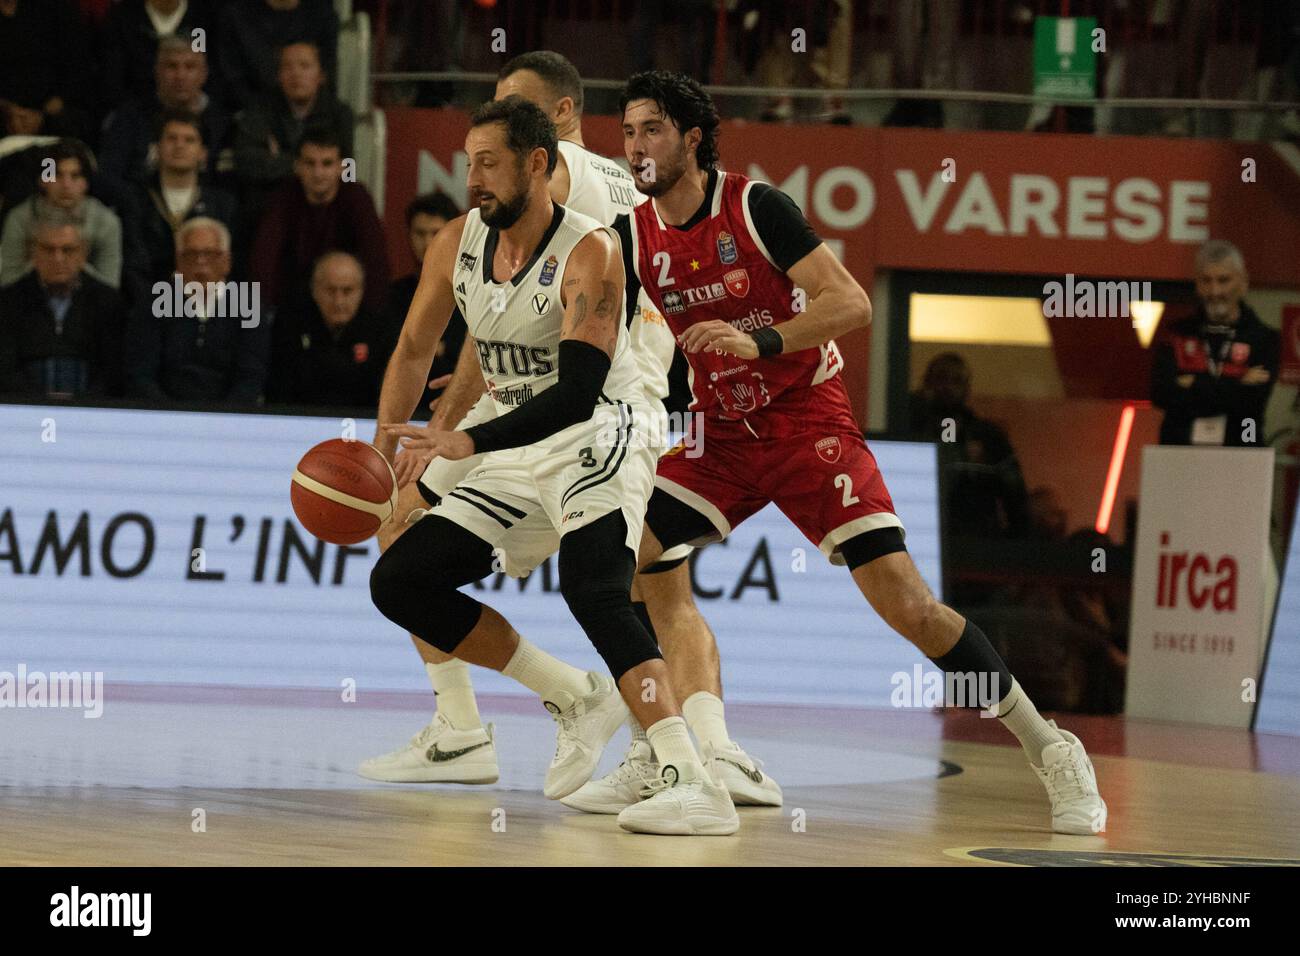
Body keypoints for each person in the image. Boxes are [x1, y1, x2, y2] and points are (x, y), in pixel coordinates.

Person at [601, 70, 1105, 835]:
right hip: (721, 436)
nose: (637, 148)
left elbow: (851, 303)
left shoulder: (755, 206)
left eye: (652, 131)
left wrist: (758, 339)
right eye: (628, 133)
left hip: (808, 423)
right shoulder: (634, 235)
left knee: (909, 606)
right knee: (624, 560)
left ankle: (1052, 747)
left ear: (692, 138)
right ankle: (684, 749)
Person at [358, 52, 768, 814]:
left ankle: (693, 766)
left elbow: (579, 393)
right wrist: (386, 455)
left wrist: (464, 439)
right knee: (400, 575)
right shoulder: (457, 242)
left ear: (547, 152)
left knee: (605, 585)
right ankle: (566, 698)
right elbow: (418, 349)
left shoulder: (591, 234)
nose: (473, 178)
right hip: (517, 423)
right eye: (468, 162)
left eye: (489, 162)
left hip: (611, 412)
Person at [124, 216, 268, 404]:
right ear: (178, 261)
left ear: (227, 261)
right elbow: (140, 373)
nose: (201, 263)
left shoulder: (248, 305)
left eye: (210, 254)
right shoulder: (153, 303)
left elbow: (251, 375)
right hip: (163, 416)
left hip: (230, 420)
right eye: (191, 254)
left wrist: (225, 417)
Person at [1151, 240, 1279, 447]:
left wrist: (1193, 384)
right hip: (1180, 451)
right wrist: (1237, 382)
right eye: (1206, 281)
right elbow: (1161, 394)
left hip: (1243, 448)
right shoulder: (1176, 333)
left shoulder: (1264, 338)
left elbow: (1251, 404)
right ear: (1197, 284)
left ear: (1243, 282)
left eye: (1223, 280)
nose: (1215, 291)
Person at [251, 126, 388, 318]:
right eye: (310, 163)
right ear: (297, 166)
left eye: (327, 163)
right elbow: (264, 260)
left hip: (347, 307)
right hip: (293, 308)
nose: (318, 173)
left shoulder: (357, 198)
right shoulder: (282, 199)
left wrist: (371, 317)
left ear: (342, 167)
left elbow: (375, 261)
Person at [0, 211, 124, 398]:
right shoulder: (8, 301)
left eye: (68, 250)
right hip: (23, 410)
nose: (58, 258)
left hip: (93, 412)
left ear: (83, 253)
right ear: (33, 253)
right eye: (48, 249)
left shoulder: (108, 301)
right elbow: (4, 369)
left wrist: (82, 405)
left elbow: (113, 371)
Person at [98, 37, 232, 209]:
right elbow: (108, 176)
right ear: (157, 71)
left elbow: (229, 183)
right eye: (172, 66)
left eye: (190, 67)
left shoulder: (223, 122)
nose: (180, 76)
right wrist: (145, 204)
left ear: (204, 73)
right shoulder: (129, 117)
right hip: (140, 215)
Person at [120, 110, 237, 303]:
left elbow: (228, 264)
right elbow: (133, 264)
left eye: (189, 140)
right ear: (157, 148)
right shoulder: (135, 199)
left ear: (203, 153)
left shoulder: (223, 204)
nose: (179, 146)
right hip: (148, 304)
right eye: (171, 139)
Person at [267, 250, 390, 406]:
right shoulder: (291, 325)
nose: (338, 301)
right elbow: (279, 391)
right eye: (330, 290)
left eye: (347, 291)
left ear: (361, 291)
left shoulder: (379, 330)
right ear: (314, 290)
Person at [383, 192, 467, 418]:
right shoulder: (394, 296)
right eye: (420, 233)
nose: (428, 242)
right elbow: (390, 357)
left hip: (459, 417)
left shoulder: (471, 293)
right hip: (402, 414)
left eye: (436, 233)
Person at [0, 139, 122, 289]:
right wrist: (42, 264)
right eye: (57, 175)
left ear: (86, 183)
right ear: (43, 180)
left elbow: (109, 285)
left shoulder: (105, 222)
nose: (66, 185)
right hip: (30, 302)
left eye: (75, 176)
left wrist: (74, 264)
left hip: (86, 305)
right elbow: (8, 280)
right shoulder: (19, 219)